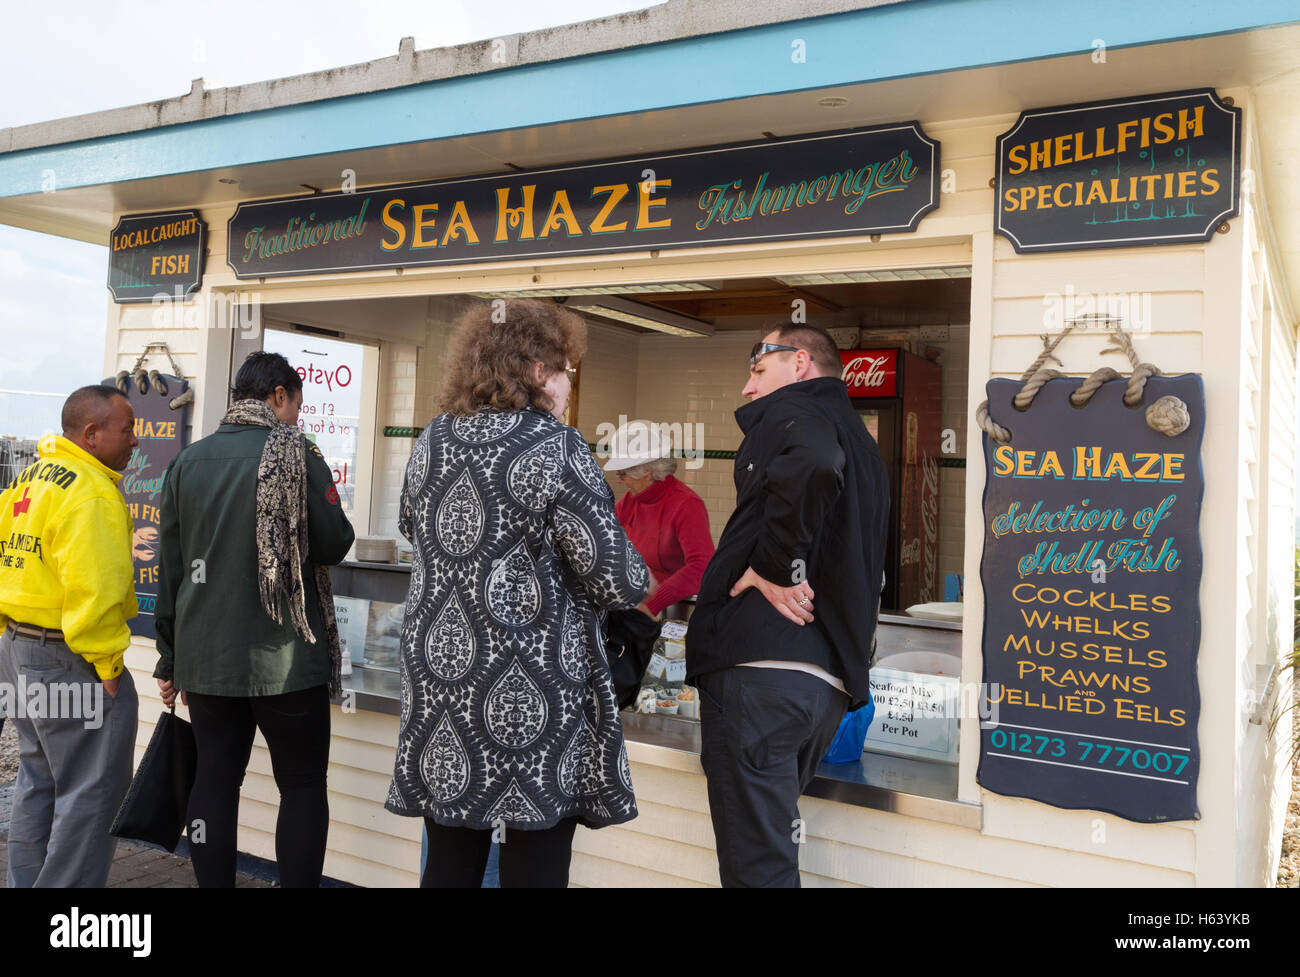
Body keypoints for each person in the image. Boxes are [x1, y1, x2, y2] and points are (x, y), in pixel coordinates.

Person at [387, 298, 650, 888]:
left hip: (442, 685)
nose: (566, 384)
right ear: (536, 370)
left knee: (449, 859)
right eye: (565, 370)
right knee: (535, 862)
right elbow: (619, 579)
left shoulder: (432, 440)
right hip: (529, 696)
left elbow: (411, 526)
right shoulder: (556, 446)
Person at [685, 323, 889, 888]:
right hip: (823, 686)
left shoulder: (796, 414)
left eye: (756, 368)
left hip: (759, 679)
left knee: (758, 869)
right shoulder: (863, 442)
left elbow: (814, 463)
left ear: (799, 363)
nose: (748, 389)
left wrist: (774, 568)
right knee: (769, 851)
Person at [153, 351, 355, 888]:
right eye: (296, 407)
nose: (296, 420)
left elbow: (170, 573)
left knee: (215, 781)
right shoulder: (297, 454)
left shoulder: (187, 462)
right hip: (286, 657)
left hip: (207, 658)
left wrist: (170, 658)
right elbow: (335, 544)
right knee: (304, 784)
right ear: (279, 396)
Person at [0, 385, 139, 887]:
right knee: (91, 794)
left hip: (18, 649)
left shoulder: (31, 478)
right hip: (71, 658)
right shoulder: (93, 492)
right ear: (92, 433)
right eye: (127, 430)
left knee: (37, 780)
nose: (135, 441)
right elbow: (96, 591)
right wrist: (107, 666)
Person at [606, 435, 714, 621]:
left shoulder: (687, 504)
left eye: (623, 474)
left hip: (674, 611)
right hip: (633, 605)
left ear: (647, 472)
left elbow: (701, 566)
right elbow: (609, 547)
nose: (621, 481)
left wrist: (653, 603)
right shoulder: (628, 503)